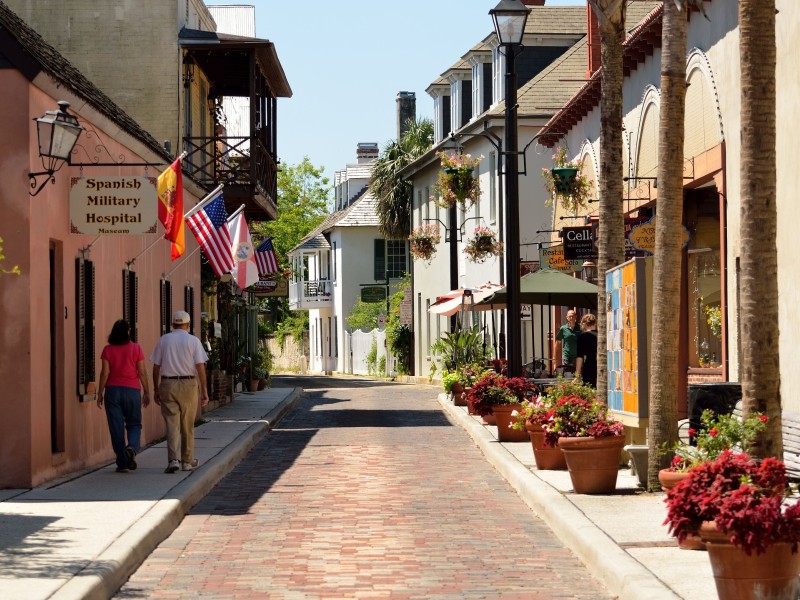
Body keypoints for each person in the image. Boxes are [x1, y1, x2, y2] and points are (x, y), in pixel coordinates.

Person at [151, 310, 209, 474]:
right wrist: (204, 390)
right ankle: (187, 461)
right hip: (188, 384)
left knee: (172, 424)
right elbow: (200, 366)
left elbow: (156, 367)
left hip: (167, 383)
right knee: (187, 425)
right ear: (188, 325)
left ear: (173, 324)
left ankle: (173, 460)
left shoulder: (164, 340)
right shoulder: (193, 341)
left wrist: (156, 388)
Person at [96, 320, 150, 473]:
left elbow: (105, 373)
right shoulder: (136, 348)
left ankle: (122, 462)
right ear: (128, 332)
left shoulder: (107, 350)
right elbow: (142, 372)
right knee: (134, 424)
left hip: (112, 392)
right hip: (132, 391)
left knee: (116, 428)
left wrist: (100, 392)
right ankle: (132, 447)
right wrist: (147, 391)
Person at [575, 313, 598, 388]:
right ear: (595, 323)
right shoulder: (602, 335)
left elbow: (579, 357)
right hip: (602, 366)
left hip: (589, 367)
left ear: (584, 324)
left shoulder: (582, 337)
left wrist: (577, 375)